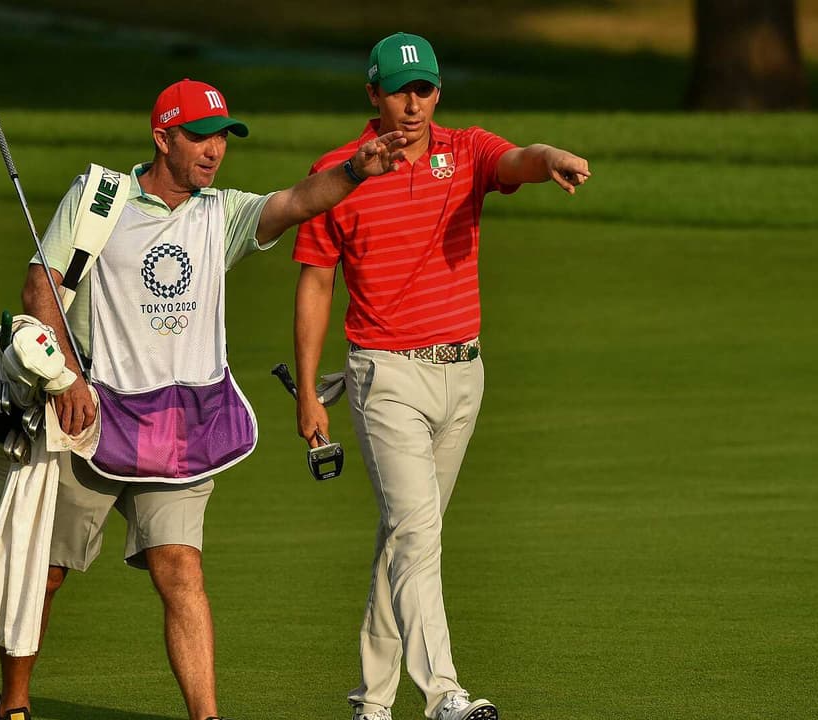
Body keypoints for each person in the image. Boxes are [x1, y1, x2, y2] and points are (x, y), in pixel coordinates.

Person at [0, 78, 406, 720]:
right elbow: (39, 293)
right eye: (199, 136)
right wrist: (67, 379)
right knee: (46, 572)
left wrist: (355, 170)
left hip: (181, 431)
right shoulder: (99, 199)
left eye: (222, 137)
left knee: (182, 572)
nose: (214, 150)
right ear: (162, 137)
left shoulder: (223, 212)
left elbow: (297, 201)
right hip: (90, 419)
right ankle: (14, 705)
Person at [292, 33, 591, 720]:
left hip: (463, 374)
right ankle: (444, 695)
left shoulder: (466, 151)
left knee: (406, 535)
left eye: (424, 89)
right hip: (385, 375)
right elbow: (314, 284)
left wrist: (552, 161)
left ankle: (371, 704)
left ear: (438, 93)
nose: (413, 102)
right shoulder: (339, 172)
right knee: (417, 532)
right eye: (399, 89)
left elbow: (518, 159)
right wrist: (309, 392)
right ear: (373, 94)